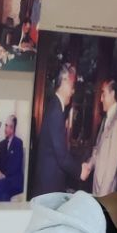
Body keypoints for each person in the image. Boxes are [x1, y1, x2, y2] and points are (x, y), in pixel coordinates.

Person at [29, 61, 84, 196]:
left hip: (48, 183)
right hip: (48, 187)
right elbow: (62, 156)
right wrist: (80, 171)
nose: (73, 91)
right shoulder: (56, 112)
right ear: (64, 82)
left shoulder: (55, 106)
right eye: (72, 85)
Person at [84, 79, 117, 196]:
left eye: (104, 94)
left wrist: (102, 197)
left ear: (112, 94)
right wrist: (89, 165)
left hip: (105, 191)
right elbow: (97, 150)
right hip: (96, 186)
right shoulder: (105, 120)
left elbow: (111, 169)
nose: (101, 99)